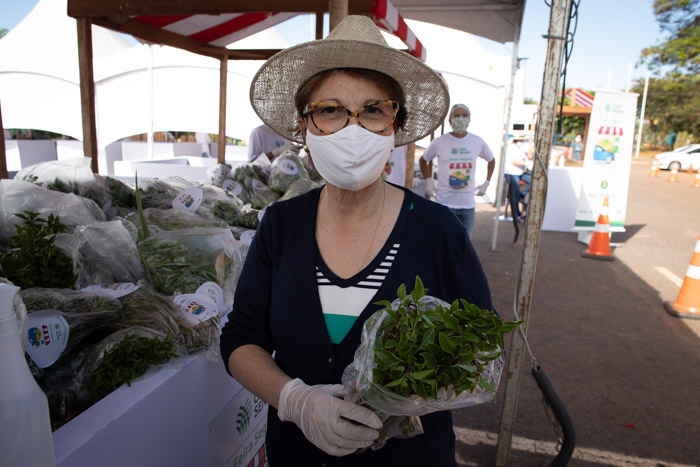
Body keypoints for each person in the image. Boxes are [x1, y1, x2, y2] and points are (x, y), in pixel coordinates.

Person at [220, 15, 494, 467]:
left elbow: (482, 352)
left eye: (372, 109)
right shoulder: (280, 225)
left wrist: (410, 395)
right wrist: (295, 401)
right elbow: (240, 338)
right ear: (305, 126)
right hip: (298, 456)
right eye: (329, 110)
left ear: (395, 125)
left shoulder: (439, 232)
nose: (352, 128)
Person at [419, 103, 495, 239]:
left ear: (469, 119)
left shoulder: (477, 142)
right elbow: (423, 160)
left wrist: (487, 183)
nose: (461, 118)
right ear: (450, 120)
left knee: (465, 246)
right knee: (443, 244)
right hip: (445, 204)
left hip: (468, 205)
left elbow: (491, 160)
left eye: (464, 116)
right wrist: (428, 182)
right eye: (457, 116)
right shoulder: (440, 142)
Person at [504, 137, 530, 222]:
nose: (523, 142)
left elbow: (525, 158)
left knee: (532, 180)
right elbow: (513, 161)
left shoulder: (520, 149)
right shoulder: (512, 148)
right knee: (514, 194)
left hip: (520, 172)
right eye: (522, 140)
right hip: (511, 173)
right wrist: (526, 163)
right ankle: (517, 216)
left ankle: (522, 195)